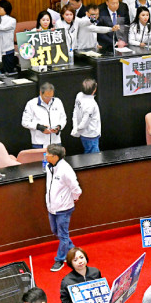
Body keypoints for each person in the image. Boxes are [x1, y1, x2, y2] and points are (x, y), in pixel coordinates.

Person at [44, 144, 82, 272]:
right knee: (56, 232)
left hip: (64, 208)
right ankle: (72, 250)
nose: (45, 156)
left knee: (63, 235)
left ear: (55, 156)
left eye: (47, 154)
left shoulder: (66, 169)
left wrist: (74, 197)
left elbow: (76, 188)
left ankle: (60, 259)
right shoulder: (48, 166)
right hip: (52, 207)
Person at [22, 82, 67, 149]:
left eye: (51, 96)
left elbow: (63, 119)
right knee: (41, 159)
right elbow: (25, 122)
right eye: (46, 97)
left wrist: (59, 127)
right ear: (40, 93)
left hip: (56, 142)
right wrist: (39, 127)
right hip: (39, 143)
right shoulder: (31, 104)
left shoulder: (58, 102)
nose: (48, 99)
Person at [71, 78, 101, 153]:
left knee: (88, 152)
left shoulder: (79, 95)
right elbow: (85, 122)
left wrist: (75, 128)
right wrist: (77, 131)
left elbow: (75, 111)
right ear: (94, 90)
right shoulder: (91, 105)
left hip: (84, 134)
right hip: (90, 135)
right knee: (93, 158)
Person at [0, 0, 18, 73]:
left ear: (5, 8)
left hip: (8, 51)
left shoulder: (12, 20)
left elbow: (3, 27)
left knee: (8, 72)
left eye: (0, 8)